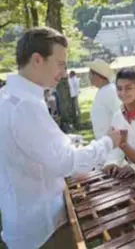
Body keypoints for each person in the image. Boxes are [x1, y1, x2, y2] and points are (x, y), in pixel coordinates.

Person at [0, 27, 121, 249]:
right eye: (60, 63)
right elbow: (67, 164)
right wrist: (108, 142)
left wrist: (68, 142)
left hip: (24, 221)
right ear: (37, 59)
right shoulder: (25, 106)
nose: (64, 72)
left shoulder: (8, 98)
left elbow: (36, 148)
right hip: (43, 228)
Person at [87, 58, 121, 139]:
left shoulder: (110, 91)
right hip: (105, 143)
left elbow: (120, 115)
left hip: (113, 146)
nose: (89, 77)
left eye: (90, 74)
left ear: (97, 76)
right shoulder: (104, 90)